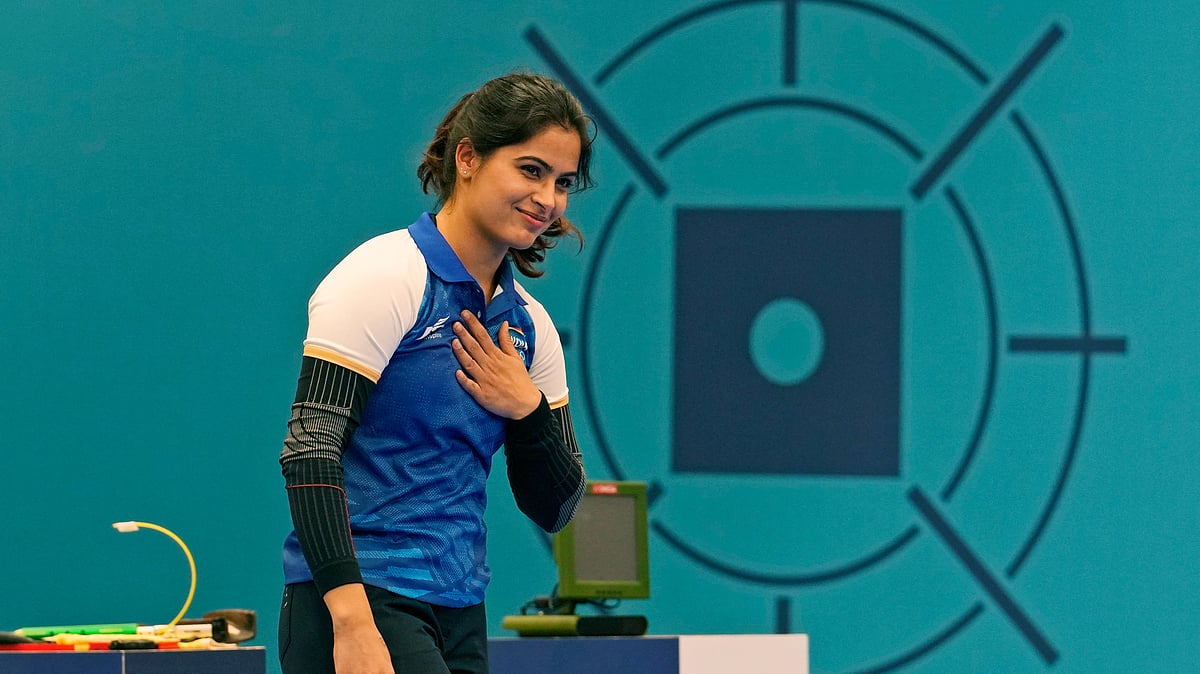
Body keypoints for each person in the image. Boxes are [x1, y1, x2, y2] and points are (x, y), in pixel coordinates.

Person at [277, 72, 593, 674]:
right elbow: (309, 451)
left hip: (460, 609)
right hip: (357, 602)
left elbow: (558, 504)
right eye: (530, 170)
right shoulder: (383, 275)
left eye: (562, 182)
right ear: (467, 158)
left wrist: (526, 411)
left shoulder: (531, 329)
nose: (547, 199)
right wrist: (351, 622)